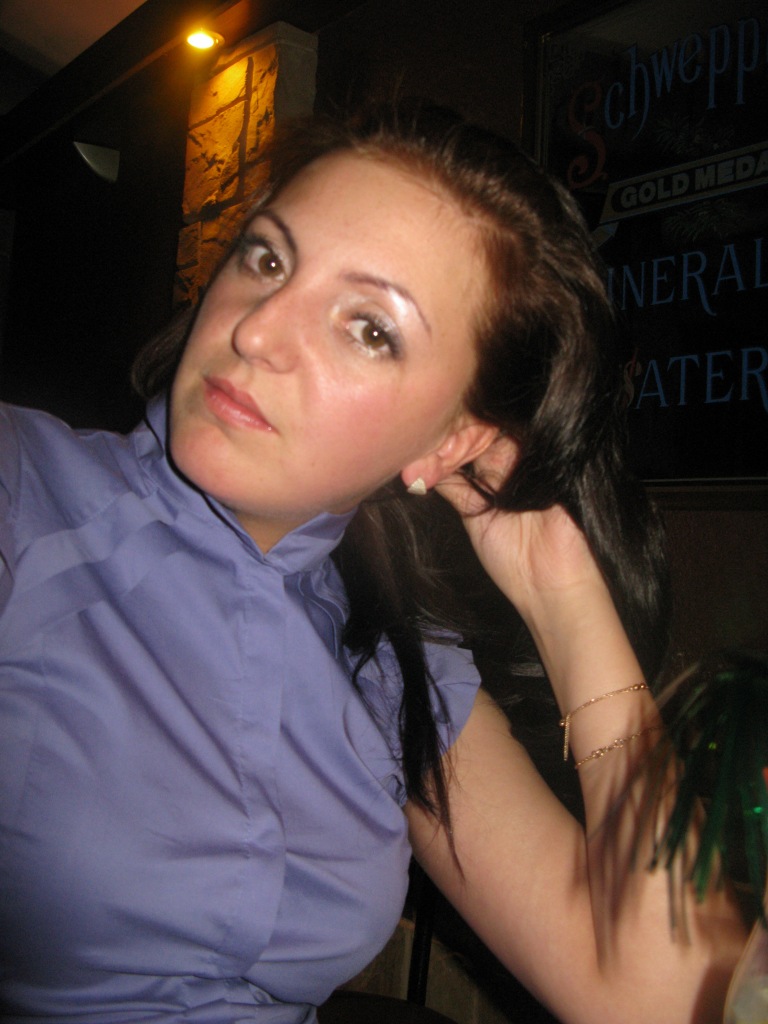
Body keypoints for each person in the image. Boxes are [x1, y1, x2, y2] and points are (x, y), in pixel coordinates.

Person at [0, 102, 746, 1024]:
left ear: (452, 440)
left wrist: (562, 592)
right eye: (268, 259)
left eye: (369, 328)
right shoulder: (26, 498)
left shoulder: (396, 667)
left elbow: (671, 999)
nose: (257, 331)